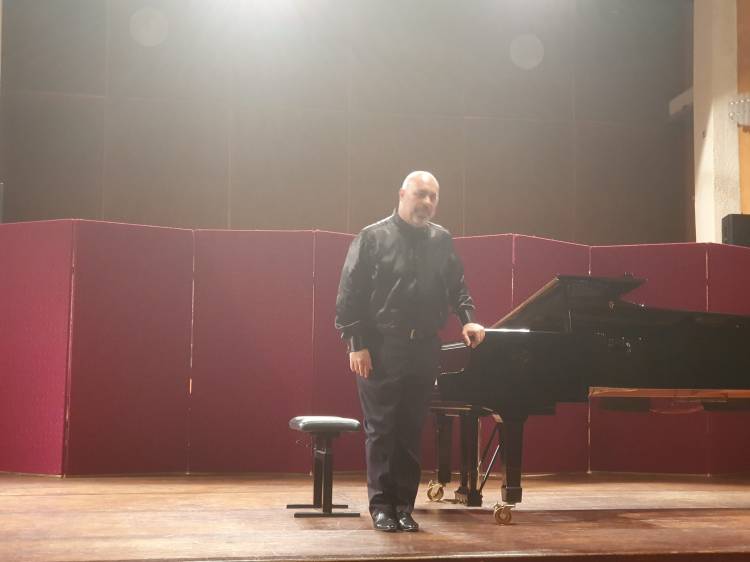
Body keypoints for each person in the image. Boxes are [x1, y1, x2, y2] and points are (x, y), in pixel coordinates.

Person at [335, 171, 485, 532]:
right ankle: (381, 507)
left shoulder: (441, 239)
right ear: (402, 194)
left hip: (425, 347)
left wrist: (468, 319)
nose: (427, 202)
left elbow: (457, 285)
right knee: (381, 429)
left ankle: (404, 506)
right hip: (382, 346)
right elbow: (349, 295)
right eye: (420, 194)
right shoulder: (372, 237)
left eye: (433, 196)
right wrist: (357, 344)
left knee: (410, 429)